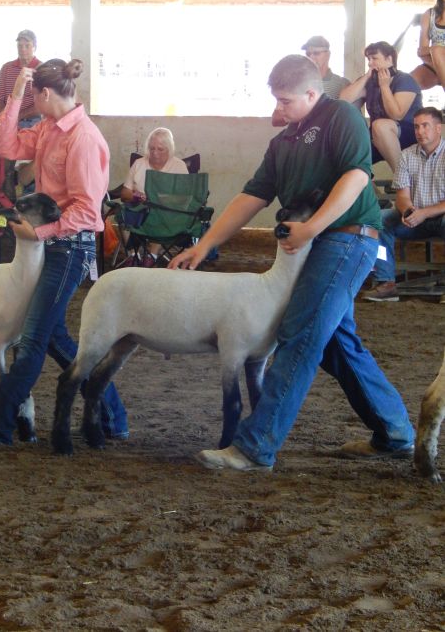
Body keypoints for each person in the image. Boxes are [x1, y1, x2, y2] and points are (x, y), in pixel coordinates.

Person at [169, 54, 415, 472]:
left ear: (311, 93)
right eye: (275, 100)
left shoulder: (341, 116)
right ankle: (395, 433)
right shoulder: (281, 143)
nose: (276, 110)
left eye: (284, 101)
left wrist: (312, 228)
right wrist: (204, 244)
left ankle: (254, 446)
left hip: (348, 237)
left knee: (299, 331)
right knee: (336, 343)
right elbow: (251, 197)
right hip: (319, 242)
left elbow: (356, 177)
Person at [0, 58, 128, 451]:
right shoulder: (50, 127)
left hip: (68, 246)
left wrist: (39, 232)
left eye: (32, 96)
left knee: (33, 339)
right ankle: (114, 417)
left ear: (46, 94)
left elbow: (87, 210)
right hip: (51, 244)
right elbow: (5, 145)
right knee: (52, 336)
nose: (30, 103)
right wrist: (15, 94)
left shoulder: (83, 138)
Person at [363, 107, 445, 302]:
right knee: (378, 221)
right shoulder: (407, 156)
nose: (420, 131)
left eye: (426, 126)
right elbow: (402, 195)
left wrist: (424, 213)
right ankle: (386, 282)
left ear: (439, 128)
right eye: (417, 127)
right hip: (414, 218)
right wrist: (408, 211)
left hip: (439, 217)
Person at [340, 41, 422, 173]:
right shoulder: (370, 81)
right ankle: (366, 188)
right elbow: (343, 100)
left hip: (408, 134)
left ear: (389, 59)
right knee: (345, 150)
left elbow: (397, 114)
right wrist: (366, 76)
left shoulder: (405, 80)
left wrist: (384, 86)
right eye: (368, 59)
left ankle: (402, 179)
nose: (370, 63)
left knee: (380, 126)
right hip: (377, 136)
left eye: (374, 58)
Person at [120, 127, 188, 267]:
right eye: (152, 148)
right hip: (140, 210)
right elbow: (124, 193)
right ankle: (133, 255)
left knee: (159, 211)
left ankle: (152, 255)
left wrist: (164, 199)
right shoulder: (139, 164)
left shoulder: (178, 166)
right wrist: (135, 194)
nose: (155, 153)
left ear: (169, 149)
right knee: (123, 213)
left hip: (166, 212)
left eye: (160, 149)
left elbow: (185, 197)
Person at [272, 36, 349, 127]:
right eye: (308, 54)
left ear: (328, 54)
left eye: (316, 53)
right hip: (299, 137)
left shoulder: (342, 84)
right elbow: (276, 120)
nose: (311, 57)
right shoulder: (295, 82)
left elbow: (347, 118)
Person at [0, 30, 42, 127]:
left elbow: (42, 103)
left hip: (32, 120)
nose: (23, 49)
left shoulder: (41, 69)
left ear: (34, 47)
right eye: (20, 46)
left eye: (27, 45)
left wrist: (15, 116)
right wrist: (6, 116)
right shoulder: (6, 68)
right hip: (7, 118)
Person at [410, 0, 445, 91]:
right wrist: (436, 60)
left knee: (436, 50)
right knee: (408, 82)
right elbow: (421, 51)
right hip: (433, 65)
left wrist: (434, 50)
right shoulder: (429, 15)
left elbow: (429, 50)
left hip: (436, 57)